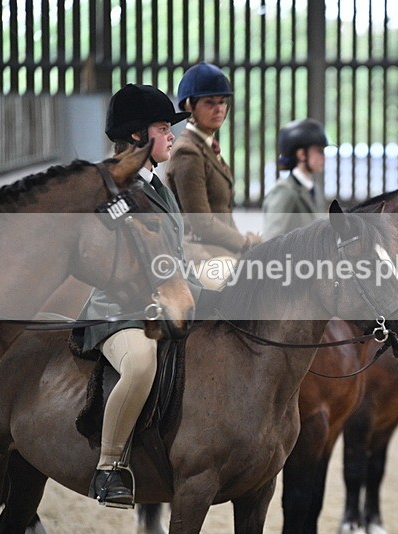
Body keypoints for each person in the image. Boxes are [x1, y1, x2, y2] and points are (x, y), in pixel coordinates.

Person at [82, 83, 201, 507]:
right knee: (140, 363)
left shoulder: (161, 186)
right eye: (164, 127)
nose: (173, 136)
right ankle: (109, 466)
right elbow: (112, 260)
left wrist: (207, 283)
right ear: (137, 136)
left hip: (166, 299)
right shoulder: (114, 187)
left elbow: (173, 258)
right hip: (119, 309)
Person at [167, 63, 260, 289]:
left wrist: (249, 247)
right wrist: (246, 242)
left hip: (222, 252)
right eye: (210, 103)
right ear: (189, 106)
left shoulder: (207, 148)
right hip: (200, 255)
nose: (219, 109)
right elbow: (202, 224)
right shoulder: (187, 152)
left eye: (222, 102)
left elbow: (224, 215)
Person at [262, 118, 330, 240]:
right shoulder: (285, 192)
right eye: (319, 151)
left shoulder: (314, 189)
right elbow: (270, 241)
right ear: (302, 154)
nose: (324, 158)